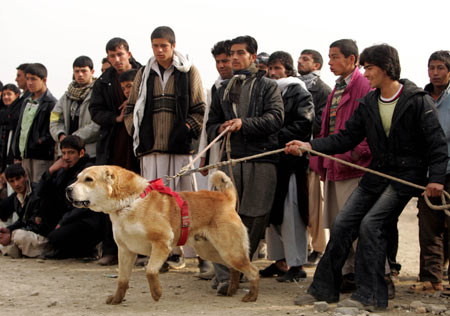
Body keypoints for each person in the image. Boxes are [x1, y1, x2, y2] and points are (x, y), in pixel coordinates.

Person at [288, 43, 448, 310]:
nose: (366, 73)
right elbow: (346, 138)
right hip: (378, 174)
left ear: (386, 68)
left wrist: (437, 179)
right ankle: (324, 289)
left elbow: (437, 144)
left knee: (370, 225)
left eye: (370, 68)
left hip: (405, 177)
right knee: (342, 224)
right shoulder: (369, 103)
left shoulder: (418, 101)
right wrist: (310, 146)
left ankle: (370, 295)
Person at [206, 35, 284, 294]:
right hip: (230, 160)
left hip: (261, 160)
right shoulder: (221, 89)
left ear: (253, 56)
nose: (235, 58)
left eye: (241, 53)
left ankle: (237, 272)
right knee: (221, 220)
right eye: (232, 53)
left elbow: (275, 119)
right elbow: (211, 124)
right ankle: (225, 276)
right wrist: (221, 126)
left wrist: (244, 123)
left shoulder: (268, 86)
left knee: (253, 219)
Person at [124, 26, 205, 269]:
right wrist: (135, 130)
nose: (159, 51)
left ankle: (198, 254)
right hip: (151, 150)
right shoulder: (144, 73)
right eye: (155, 46)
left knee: (184, 202)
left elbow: (200, 107)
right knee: (153, 204)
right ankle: (165, 254)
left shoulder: (189, 72)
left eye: (164, 46)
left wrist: (188, 127)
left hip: (180, 148)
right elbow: (131, 109)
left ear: (173, 45)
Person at [309, 39, 372, 288]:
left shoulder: (363, 85)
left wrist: (357, 155)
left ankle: (366, 275)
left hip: (354, 165)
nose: (331, 62)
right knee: (338, 223)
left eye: (335, 57)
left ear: (352, 59)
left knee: (355, 224)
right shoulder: (337, 87)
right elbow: (328, 128)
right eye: (330, 57)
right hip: (335, 162)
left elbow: (368, 128)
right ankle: (347, 274)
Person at [260, 51, 314, 282]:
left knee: (292, 214)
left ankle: (297, 264)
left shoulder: (299, 91)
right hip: (273, 163)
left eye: (278, 69)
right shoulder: (267, 91)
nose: (273, 74)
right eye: (270, 69)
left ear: (288, 71)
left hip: (292, 162)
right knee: (274, 216)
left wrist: (275, 138)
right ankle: (280, 261)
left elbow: (304, 123)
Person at [89, 37, 141, 266]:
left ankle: (144, 250)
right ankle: (111, 250)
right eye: (112, 56)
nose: (117, 60)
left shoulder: (145, 73)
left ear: (128, 53)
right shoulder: (103, 82)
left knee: (140, 196)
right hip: (113, 144)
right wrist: (116, 117)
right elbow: (95, 111)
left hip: (140, 143)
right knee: (110, 196)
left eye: (120, 55)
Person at [410, 50, 450, 293]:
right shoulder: (421, 99)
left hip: (449, 169)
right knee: (428, 225)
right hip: (428, 173)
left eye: (440, 68)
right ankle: (432, 278)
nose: (435, 73)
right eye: (431, 68)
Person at [195, 40, 233, 280]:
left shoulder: (249, 85)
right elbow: (208, 127)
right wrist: (204, 158)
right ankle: (217, 267)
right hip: (218, 156)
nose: (221, 66)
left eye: (225, 60)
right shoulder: (215, 88)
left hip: (241, 158)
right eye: (217, 62)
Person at [37, 135, 103, 259]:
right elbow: (40, 193)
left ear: (81, 153)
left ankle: (82, 250)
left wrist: (62, 222)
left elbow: (83, 205)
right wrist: (50, 171)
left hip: (85, 220)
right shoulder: (63, 170)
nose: (66, 157)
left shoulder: (88, 172)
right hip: (68, 218)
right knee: (46, 203)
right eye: (64, 153)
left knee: (55, 237)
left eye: (71, 153)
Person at [298, 49, 332, 265]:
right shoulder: (295, 85)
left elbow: (322, 123)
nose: (300, 62)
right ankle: (306, 245)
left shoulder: (323, 90)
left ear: (316, 65)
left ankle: (319, 247)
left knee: (315, 206)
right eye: (300, 58)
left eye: (305, 59)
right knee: (301, 204)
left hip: (313, 152)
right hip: (297, 154)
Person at [12, 63, 57, 182]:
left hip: (41, 157)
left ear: (44, 80)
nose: (30, 83)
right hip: (25, 155)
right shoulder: (26, 101)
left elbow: (52, 130)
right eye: (27, 79)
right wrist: (16, 151)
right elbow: (20, 128)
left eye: (34, 79)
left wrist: (39, 142)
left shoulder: (51, 103)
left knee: (39, 190)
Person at [50, 56, 100, 162]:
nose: (80, 74)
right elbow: (54, 118)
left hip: (89, 153)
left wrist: (74, 138)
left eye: (84, 71)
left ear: (92, 72)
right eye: (77, 71)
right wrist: (60, 135)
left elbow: (97, 123)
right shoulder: (66, 96)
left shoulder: (99, 93)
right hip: (66, 154)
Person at [0, 163, 45, 258]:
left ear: (25, 176)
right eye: (12, 181)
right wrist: (8, 230)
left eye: (18, 179)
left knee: (19, 236)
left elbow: (37, 225)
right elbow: (22, 221)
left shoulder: (37, 193)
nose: (16, 184)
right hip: (26, 234)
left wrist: (11, 234)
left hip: (40, 236)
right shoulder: (17, 197)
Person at [0, 84, 21, 174]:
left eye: (9, 94)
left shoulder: (17, 113)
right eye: (4, 95)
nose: (6, 97)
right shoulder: (3, 111)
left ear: (16, 95)